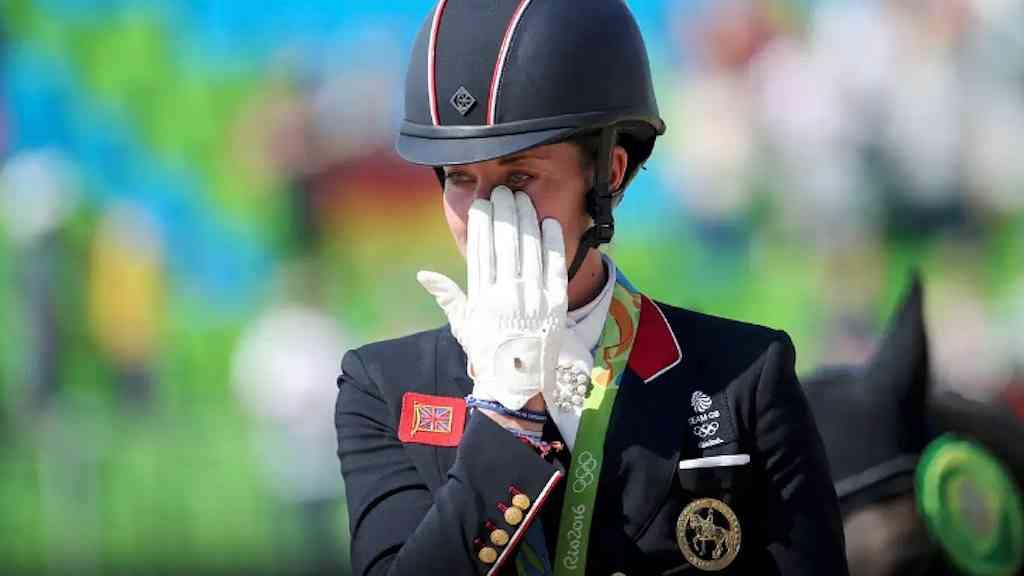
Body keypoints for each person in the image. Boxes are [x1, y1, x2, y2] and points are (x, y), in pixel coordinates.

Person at [334, 1, 847, 574]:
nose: (487, 213)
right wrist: (506, 413)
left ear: (608, 174)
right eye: (459, 177)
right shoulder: (383, 387)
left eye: (519, 177)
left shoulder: (744, 376)